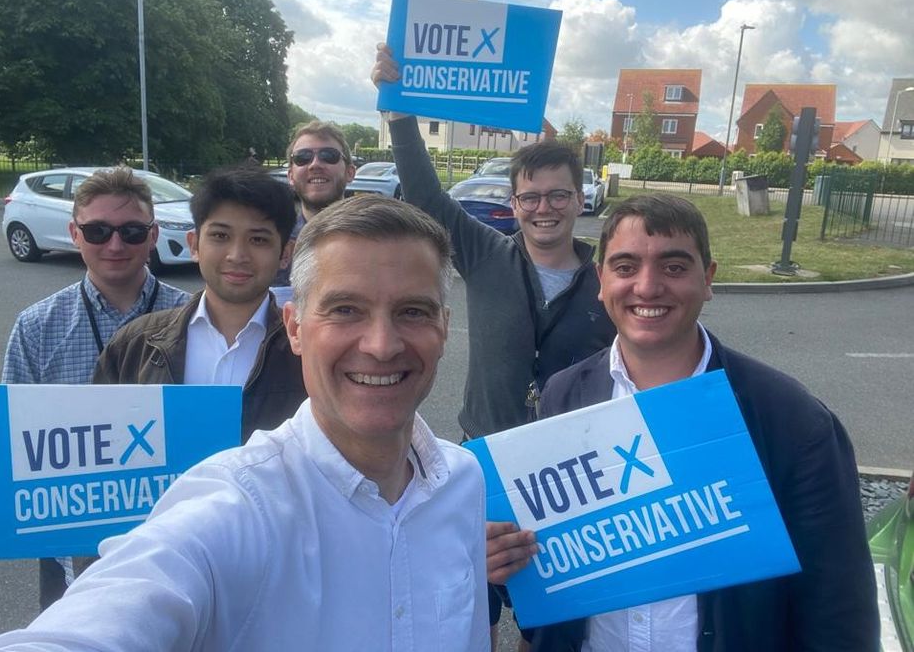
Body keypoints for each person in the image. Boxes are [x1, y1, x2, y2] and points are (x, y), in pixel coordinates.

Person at [0, 196, 489, 652]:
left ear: (445, 326)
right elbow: (116, 607)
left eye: (413, 312)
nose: (381, 344)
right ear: (295, 328)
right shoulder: (236, 507)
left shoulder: (463, 482)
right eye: (346, 310)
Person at [488, 193, 879, 651]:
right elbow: (550, 567)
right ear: (601, 280)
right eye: (626, 267)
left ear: (708, 279)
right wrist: (503, 561)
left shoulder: (791, 419)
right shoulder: (563, 396)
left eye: (674, 267)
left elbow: (838, 608)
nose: (648, 287)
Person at [372, 45, 616, 641]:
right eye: (530, 197)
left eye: (558, 195)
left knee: (556, 626)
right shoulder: (486, 254)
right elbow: (428, 199)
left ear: (579, 200)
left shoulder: (609, 278)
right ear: (514, 205)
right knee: (463, 615)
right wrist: (400, 112)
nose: (544, 209)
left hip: (572, 472)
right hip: (483, 464)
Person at [1, 166, 189, 610]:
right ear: (74, 232)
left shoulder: (195, 318)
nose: (115, 245)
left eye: (131, 231)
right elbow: (16, 446)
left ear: (153, 234)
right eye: (98, 230)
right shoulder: (36, 327)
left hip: (175, 552)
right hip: (73, 556)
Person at [93, 165, 306, 443]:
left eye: (258, 239)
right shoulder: (135, 345)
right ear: (194, 244)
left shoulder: (306, 354)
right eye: (220, 236)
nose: (237, 255)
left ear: (285, 254)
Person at [271, 120, 356, 287]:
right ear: (290, 176)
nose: (315, 164)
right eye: (303, 158)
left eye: (328, 156)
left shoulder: (377, 242)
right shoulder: (274, 243)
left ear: (350, 172)